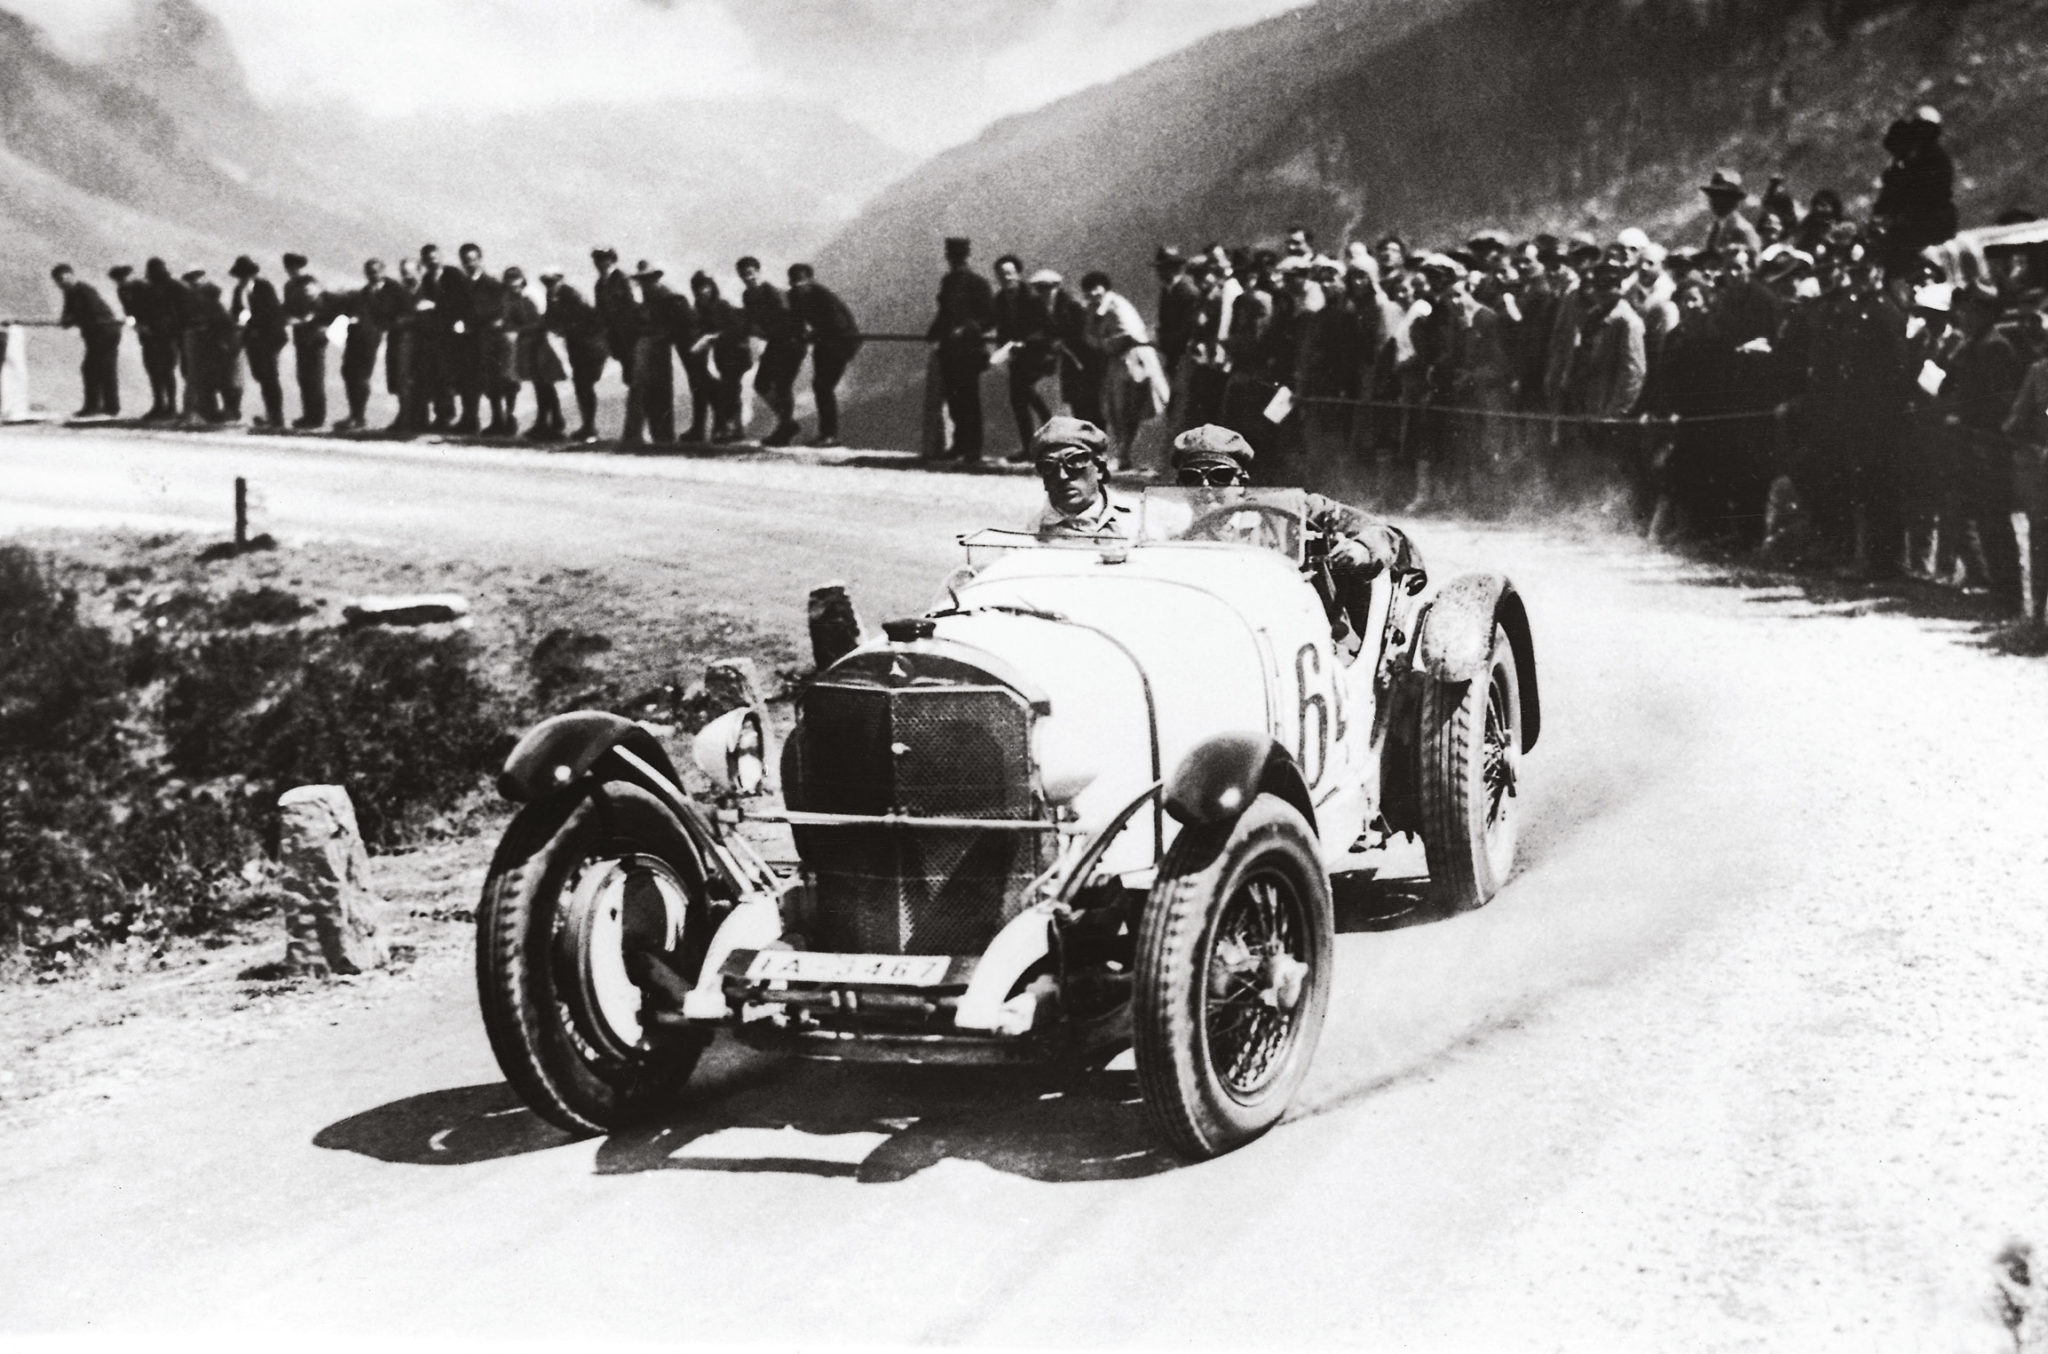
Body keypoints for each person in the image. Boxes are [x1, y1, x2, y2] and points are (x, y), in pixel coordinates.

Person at [1168, 423, 1404, 634]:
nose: (1205, 487)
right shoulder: (1172, 539)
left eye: (1220, 476)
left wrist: (1361, 549)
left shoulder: (1291, 510)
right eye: (1191, 478)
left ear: (1241, 482)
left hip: (1304, 637)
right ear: (1179, 487)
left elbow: (1378, 531)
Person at [1082, 271, 1169, 471]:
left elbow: (1129, 334)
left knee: (1132, 408)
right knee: (1116, 409)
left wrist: (1104, 343)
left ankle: (1127, 455)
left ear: (1105, 287)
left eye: (1097, 288)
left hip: (1134, 359)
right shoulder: (1096, 309)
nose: (1094, 293)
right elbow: (1088, 336)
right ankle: (1124, 455)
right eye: (1090, 290)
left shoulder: (1116, 305)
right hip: (1119, 361)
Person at [927, 236, 995, 460]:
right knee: (954, 399)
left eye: (956, 256)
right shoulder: (948, 282)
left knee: (969, 399)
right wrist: (934, 333)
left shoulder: (978, 283)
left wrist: (967, 329)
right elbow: (943, 313)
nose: (953, 260)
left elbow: (989, 318)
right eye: (951, 256)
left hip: (969, 351)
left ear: (964, 257)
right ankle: (959, 444)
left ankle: (973, 448)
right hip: (949, 351)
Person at [1873, 106, 1959, 269]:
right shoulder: (1906, 158)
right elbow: (1892, 191)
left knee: (1900, 260)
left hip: (1927, 222)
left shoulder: (1931, 159)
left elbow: (1929, 194)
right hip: (1915, 221)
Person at [787, 262, 861, 447]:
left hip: (842, 343)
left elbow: (839, 325)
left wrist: (815, 334)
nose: (797, 285)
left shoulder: (823, 296)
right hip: (824, 343)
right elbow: (797, 321)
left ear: (810, 280)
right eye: (794, 281)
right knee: (820, 386)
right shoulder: (795, 296)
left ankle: (829, 435)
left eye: (801, 281)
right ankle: (826, 434)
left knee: (823, 386)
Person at [1026, 416, 1133, 539]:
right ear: (1045, 480)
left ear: (1100, 468)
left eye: (1075, 461)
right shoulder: (1029, 537)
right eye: (1049, 466)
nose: (1062, 476)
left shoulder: (1145, 518)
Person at [738, 255, 805, 446]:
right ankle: (787, 423)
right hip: (776, 343)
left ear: (758, 272)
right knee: (761, 384)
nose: (748, 279)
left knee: (782, 385)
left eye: (750, 274)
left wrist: (764, 331)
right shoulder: (747, 296)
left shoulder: (773, 293)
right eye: (743, 275)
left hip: (791, 342)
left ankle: (785, 428)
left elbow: (787, 321)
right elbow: (752, 320)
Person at [540, 267, 608, 443]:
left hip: (589, 344)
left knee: (584, 384)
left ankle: (590, 427)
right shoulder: (553, 296)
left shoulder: (571, 294)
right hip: (577, 345)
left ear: (560, 279)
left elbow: (584, 319)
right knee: (581, 385)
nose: (549, 285)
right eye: (546, 282)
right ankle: (587, 426)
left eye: (552, 281)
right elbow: (551, 320)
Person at [51, 264, 122, 417]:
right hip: (96, 334)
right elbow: (67, 317)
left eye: (62, 278)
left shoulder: (84, 290)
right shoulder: (70, 293)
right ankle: (106, 406)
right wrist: (69, 320)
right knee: (98, 368)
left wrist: (73, 319)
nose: (61, 283)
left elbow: (92, 312)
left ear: (70, 275)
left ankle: (98, 406)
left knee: (96, 368)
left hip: (105, 332)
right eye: (58, 281)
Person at [504, 266, 566, 441]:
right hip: (530, 343)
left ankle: (553, 421)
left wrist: (519, 328)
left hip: (542, 343)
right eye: (511, 286)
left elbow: (542, 321)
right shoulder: (514, 298)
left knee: (545, 383)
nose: (515, 289)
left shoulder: (531, 296)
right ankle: (546, 422)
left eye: (517, 285)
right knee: (540, 384)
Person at [688, 271, 750, 442]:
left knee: (730, 390)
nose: (702, 291)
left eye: (706, 286)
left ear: (712, 287)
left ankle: (731, 429)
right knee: (722, 391)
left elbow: (736, 330)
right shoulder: (701, 308)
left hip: (734, 355)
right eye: (699, 287)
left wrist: (712, 338)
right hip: (720, 356)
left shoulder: (722, 306)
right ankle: (726, 428)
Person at [629, 261, 683, 447]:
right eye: (643, 280)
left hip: (660, 346)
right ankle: (656, 434)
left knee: (660, 389)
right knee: (649, 389)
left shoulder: (667, 295)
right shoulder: (647, 297)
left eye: (649, 279)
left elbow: (678, 318)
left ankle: (663, 435)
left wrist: (664, 334)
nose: (646, 283)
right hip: (651, 345)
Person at [230, 255, 287, 428]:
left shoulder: (264, 287)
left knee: (270, 376)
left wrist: (251, 322)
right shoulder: (239, 291)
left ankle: (276, 416)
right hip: (252, 340)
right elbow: (235, 311)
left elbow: (270, 312)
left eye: (245, 275)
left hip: (269, 339)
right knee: (260, 375)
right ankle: (270, 413)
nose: (243, 279)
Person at [593, 247, 641, 437]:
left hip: (631, 337)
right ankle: (633, 429)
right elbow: (601, 313)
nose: (602, 264)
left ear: (613, 261)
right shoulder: (600, 284)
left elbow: (634, 307)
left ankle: (636, 430)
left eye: (606, 260)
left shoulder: (624, 280)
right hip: (617, 339)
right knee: (630, 379)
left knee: (636, 380)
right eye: (599, 260)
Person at [280, 254, 331, 429]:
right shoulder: (290, 286)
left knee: (315, 376)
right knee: (304, 377)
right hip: (300, 335)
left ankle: (316, 417)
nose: (292, 270)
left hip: (314, 335)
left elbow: (317, 309)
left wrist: (301, 320)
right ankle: (308, 415)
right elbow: (287, 307)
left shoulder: (309, 284)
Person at [412, 244, 456, 430]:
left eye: (434, 258)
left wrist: (434, 306)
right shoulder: (427, 279)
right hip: (431, 336)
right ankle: (437, 417)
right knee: (433, 376)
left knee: (446, 376)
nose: (432, 262)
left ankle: (446, 417)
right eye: (428, 259)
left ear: (440, 257)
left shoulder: (453, 275)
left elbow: (458, 301)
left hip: (450, 335)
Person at [134, 258, 184, 418]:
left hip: (167, 336)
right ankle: (162, 406)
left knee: (164, 371)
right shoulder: (148, 289)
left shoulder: (173, 288)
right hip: (153, 337)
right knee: (156, 371)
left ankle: (169, 407)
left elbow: (182, 311)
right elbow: (139, 312)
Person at [1701, 171, 1763, 256]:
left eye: (1722, 197)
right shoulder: (1718, 225)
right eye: (1713, 195)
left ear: (1734, 201)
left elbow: (1751, 264)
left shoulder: (1741, 229)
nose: (1715, 201)